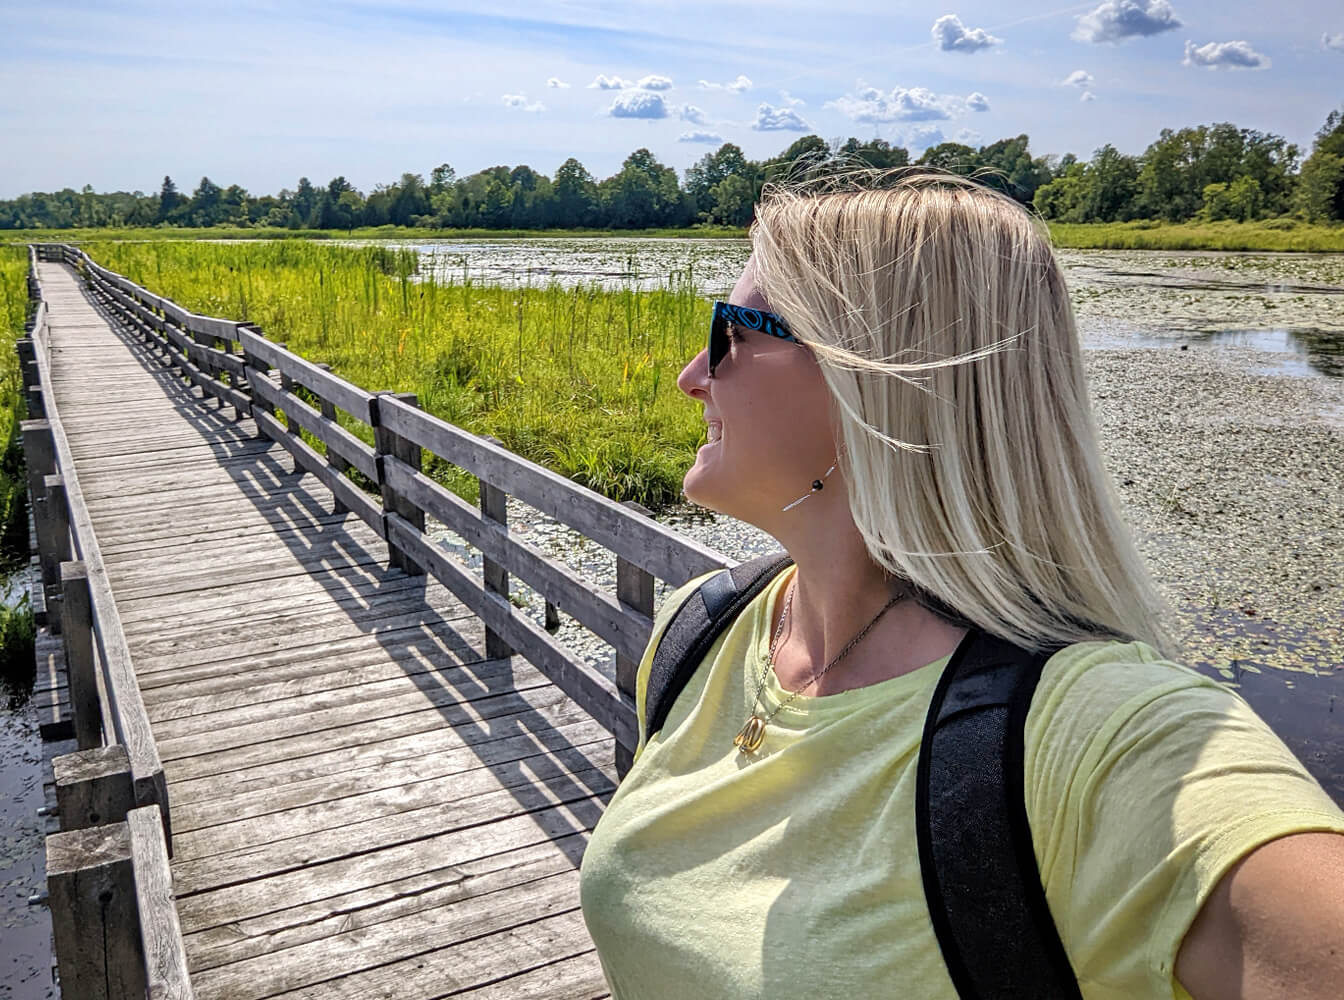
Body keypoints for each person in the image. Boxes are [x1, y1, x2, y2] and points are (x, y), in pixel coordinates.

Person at [576, 172, 1344, 1000]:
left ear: (876, 376)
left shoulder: (1095, 739)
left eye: (728, 332)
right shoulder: (707, 631)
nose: (694, 375)